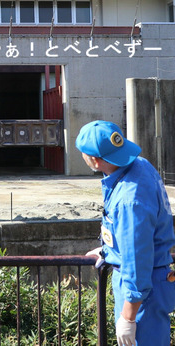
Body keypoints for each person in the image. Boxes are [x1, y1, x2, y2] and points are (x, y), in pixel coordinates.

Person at [75, 120, 175, 346]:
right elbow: (136, 236)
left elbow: (138, 258)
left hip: (142, 291)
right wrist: (109, 250)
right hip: (152, 281)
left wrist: (129, 316)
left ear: (94, 160)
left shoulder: (129, 199)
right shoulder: (139, 165)